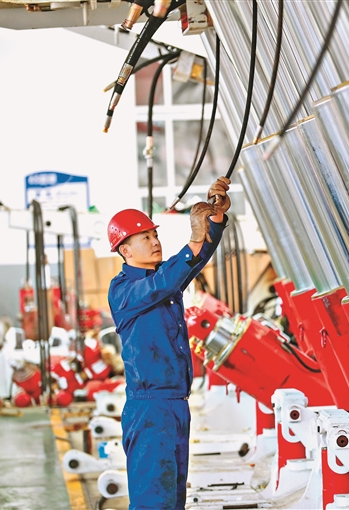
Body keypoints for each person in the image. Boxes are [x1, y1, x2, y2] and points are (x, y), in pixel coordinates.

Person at [106, 177, 231, 510]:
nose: (155, 242)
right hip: (150, 409)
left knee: (174, 501)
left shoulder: (164, 278)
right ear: (125, 250)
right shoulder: (124, 290)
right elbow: (166, 281)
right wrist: (193, 240)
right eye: (145, 237)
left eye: (156, 235)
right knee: (153, 502)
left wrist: (215, 219)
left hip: (176, 404)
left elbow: (194, 260)